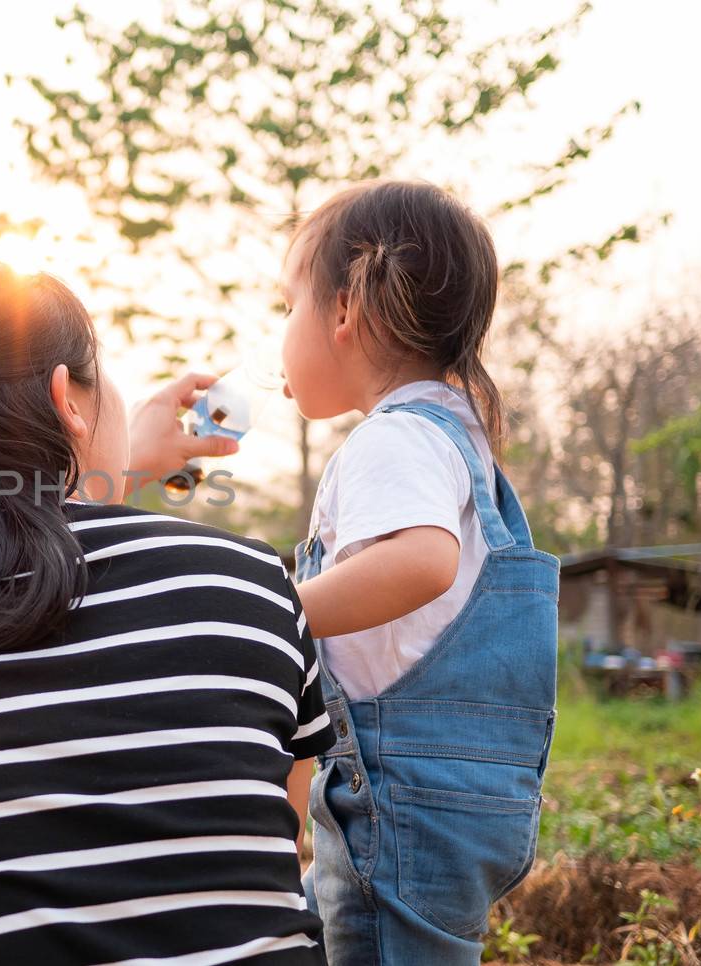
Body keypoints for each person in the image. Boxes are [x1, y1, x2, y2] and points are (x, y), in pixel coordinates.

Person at [0, 259, 334, 965]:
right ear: (68, 397)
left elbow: (19, 542)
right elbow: (262, 843)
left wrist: (98, 460)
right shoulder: (247, 580)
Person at [279, 180, 559, 965]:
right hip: (460, 795)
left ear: (344, 309)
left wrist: (280, 608)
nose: (281, 330)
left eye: (287, 304)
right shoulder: (458, 437)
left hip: (398, 802)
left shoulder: (392, 437)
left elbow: (422, 561)